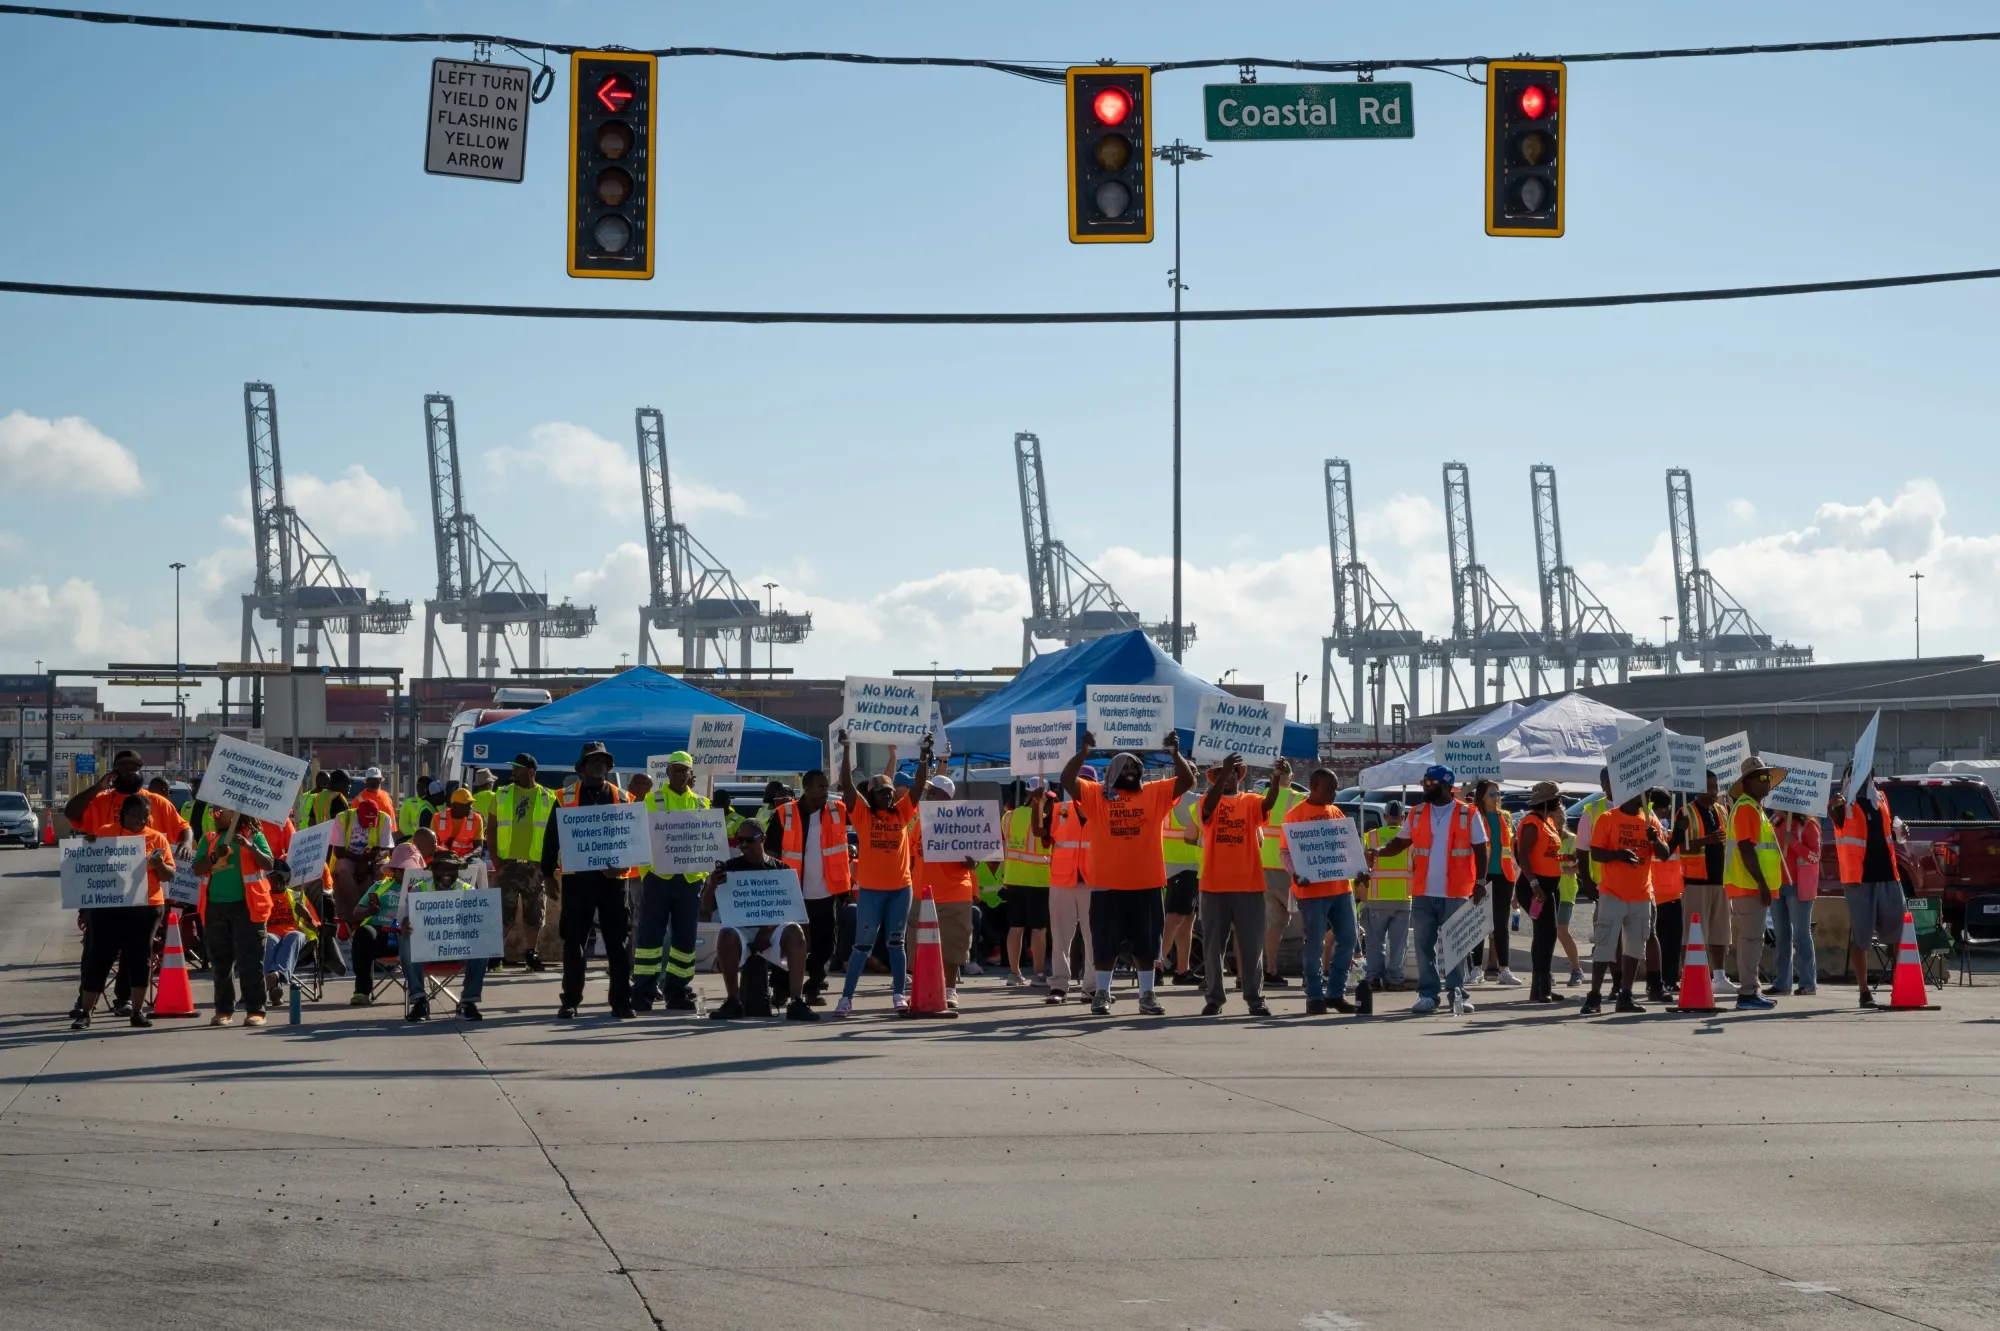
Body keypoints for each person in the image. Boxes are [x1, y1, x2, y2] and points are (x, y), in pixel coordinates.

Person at [1057, 730, 1196, 1017]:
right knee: (1105, 944)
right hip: (1107, 885)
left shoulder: (1154, 793)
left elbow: (1187, 781)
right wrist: (1083, 752)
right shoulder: (1098, 796)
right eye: (1124, 768)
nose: (1131, 772)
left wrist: (1174, 753)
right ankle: (1102, 994)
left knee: (1146, 946)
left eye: (1135, 768)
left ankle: (1147, 995)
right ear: (1111, 773)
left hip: (1146, 885)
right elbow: (1066, 780)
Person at [1374, 765, 1488, 1016]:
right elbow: (1400, 843)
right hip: (1424, 891)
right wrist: (1379, 852)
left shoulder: (1468, 814)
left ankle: (1457, 993)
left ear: (1446, 786)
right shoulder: (1416, 813)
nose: (1425, 786)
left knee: (1456, 945)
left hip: (1457, 891)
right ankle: (1428, 995)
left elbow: (1481, 849)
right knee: (1425, 945)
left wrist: (1480, 883)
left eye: (1430, 782)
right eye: (1424, 781)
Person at [541, 742, 638, 1020]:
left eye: (603, 761)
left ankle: (621, 1002)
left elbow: (633, 841)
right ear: (582, 768)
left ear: (608, 767)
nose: (599, 765)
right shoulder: (565, 798)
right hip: (578, 881)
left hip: (613, 881)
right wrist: (548, 875)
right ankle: (570, 1001)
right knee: (574, 943)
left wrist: (623, 865)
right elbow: (551, 839)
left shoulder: (624, 798)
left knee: (618, 943)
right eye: (593, 761)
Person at [68, 793, 173, 1030]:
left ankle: (136, 1012)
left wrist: (159, 865)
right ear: (124, 814)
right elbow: (88, 863)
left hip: (146, 908)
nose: (141, 820)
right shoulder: (105, 833)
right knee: (99, 958)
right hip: (108, 908)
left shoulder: (157, 839)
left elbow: (169, 875)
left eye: (145, 816)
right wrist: (88, 847)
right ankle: (85, 1013)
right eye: (136, 815)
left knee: (140, 960)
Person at [705, 820, 818, 1021]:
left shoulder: (780, 869)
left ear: (763, 839)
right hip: (742, 929)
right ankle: (733, 1001)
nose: (744, 845)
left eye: (749, 840)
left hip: (772, 929)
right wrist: (712, 885)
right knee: (725, 934)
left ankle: (796, 1001)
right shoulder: (729, 869)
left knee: (795, 931)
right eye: (740, 841)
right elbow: (705, 909)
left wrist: (767, 929)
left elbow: (791, 909)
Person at [835, 733, 913, 1016]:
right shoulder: (863, 815)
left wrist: (927, 756)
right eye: (882, 792)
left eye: (891, 792)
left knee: (896, 942)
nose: (889, 795)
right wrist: (846, 749)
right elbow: (846, 785)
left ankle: (898, 995)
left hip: (901, 889)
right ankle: (846, 998)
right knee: (861, 945)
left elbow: (915, 790)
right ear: (871, 796)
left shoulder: (901, 814)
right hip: (870, 891)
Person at [910, 739, 991, 1010]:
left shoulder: (961, 820)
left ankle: (950, 989)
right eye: (929, 792)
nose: (929, 795)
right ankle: (924, 987)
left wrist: (970, 862)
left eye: (934, 793)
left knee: (954, 946)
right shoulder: (919, 823)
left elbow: (974, 862)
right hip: (923, 894)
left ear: (946, 798)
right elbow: (911, 856)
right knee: (920, 946)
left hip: (955, 893)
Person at [631, 751, 713, 1012]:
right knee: (649, 939)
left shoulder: (703, 804)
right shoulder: (650, 801)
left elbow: (709, 842)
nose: (679, 774)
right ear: (667, 773)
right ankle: (643, 990)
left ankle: (677, 991)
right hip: (658, 878)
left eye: (684, 770)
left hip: (689, 880)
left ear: (691, 775)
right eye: (675, 770)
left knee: (685, 941)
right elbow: (638, 838)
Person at [1198, 754, 1279, 1017]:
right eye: (1223, 772)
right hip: (1214, 886)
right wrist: (1222, 775)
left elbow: (1269, 802)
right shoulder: (1206, 801)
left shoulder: (1251, 802)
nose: (1230, 775)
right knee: (1213, 948)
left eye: (1234, 772)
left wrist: (1276, 778)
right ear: (1213, 776)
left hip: (1249, 886)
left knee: (1253, 947)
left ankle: (1255, 999)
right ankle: (1214, 999)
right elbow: (1208, 808)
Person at [1581, 788, 1670, 1015]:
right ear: (1629, 791)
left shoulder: (1650, 821)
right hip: (1613, 894)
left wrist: (1655, 840)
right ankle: (1594, 997)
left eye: (1649, 794)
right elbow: (1597, 853)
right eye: (1644, 792)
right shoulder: (1608, 818)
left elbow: (1664, 854)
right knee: (1604, 947)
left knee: (1635, 948)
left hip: (1641, 895)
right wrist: (1619, 855)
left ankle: (1626, 995)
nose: (1648, 798)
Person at [771, 765, 852, 1005]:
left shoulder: (837, 810)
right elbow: (772, 850)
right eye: (820, 786)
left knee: (825, 944)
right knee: (785, 942)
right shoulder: (784, 813)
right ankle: (780, 988)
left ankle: (814, 987)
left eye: (827, 786)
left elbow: (859, 802)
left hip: (826, 892)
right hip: (792, 892)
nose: (825, 790)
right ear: (805, 788)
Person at [1283, 766, 1359, 1016]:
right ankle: (1314, 996)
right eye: (1331, 789)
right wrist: (1296, 872)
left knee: (1348, 939)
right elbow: (1285, 853)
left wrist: (1359, 867)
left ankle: (1336, 994)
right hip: (1311, 891)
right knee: (1314, 943)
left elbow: (1348, 846)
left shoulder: (1336, 811)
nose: (1335, 793)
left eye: (1336, 789)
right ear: (1315, 787)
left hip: (1340, 888)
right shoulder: (1295, 815)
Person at [194, 805, 276, 1027]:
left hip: (249, 908)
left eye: (221, 811)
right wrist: (213, 858)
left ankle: (256, 1010)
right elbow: (197, 868)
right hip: (215, 908)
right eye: (214, 812)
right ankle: (223, 1010)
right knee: (221, 964)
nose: (215, 815)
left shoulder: (254, 836)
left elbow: (269, 863)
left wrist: (250, 847)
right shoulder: (210, 839)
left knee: (251, 962)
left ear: (236, 813)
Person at [1827, 773, 1900, 1008]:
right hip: (1858, 880)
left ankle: (1901, 983)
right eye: (1854, 773)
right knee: (1862, 936)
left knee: (1900, 932)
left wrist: (1901, 830)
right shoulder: (1842, 803)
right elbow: (1834, 815)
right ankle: (1864, 992)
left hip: (1889, 875)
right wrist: (1834, 806)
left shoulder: (1881, 798)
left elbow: (1888, 830)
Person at [398, 849, 488, 1022]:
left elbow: (477, 921)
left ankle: (467, 1003)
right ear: (433, 870)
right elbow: (410, 922)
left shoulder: (468, 890)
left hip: (457, 946)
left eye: (452, 869)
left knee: (482, 941)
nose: (447, 873)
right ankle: (419, 1001)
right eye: (442, 869)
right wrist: (405, 925)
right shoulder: (419, 890)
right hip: (428, 949)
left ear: (457, 871)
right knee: (407, 939)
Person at [1724, 757, 1784, 1011]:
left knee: (1753, 939)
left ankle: (1751, 991)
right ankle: (1748, 993)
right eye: (1762, 778)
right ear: (1747, 782)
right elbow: (1747, 849)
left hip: (1751, 885)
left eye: (1768, 777)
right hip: (1748, 885)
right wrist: (1761, 883)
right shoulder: (1747, 808)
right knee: (1751, 939)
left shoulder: (1754, 809)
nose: (1767, 782)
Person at [486, 753, 556, 971]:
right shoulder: (502, 794)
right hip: (508, 863)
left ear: (531, 772)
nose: (513, 772)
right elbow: (491, 828)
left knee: (534, 912)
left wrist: (548, 867)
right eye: (513, 768)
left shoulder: (548, 797)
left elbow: (555, 835)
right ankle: (496, 956)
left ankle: (531, 954)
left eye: (517, 768)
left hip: (535, 866)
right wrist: (497, 861)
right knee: (502, 912)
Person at [1040, 772, 1098, 1005]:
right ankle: (1058, 986)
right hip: (1062, 881)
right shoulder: (1058, 809)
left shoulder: (1103, 809)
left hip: (1093, 882)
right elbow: (1042, 835)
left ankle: (1092, 987)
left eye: (1086, 782)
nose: (1081, 786)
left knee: (1093, 937)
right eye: (1078, 781)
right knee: (1061, 937)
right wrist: (1039, 804)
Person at [1672, 769, 1730, 983]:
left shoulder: (1722, 811)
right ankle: (1689, 975)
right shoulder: (1685, 813)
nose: (1714, 792)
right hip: (1695, 882)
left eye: (1716, 787)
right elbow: (1678, 847)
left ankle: (1719, 977)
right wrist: (1706, 841)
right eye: (1710, 787)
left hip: (1721, 880)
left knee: (1720, 932)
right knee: (1693, 933)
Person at [1514, 782, 1568, 1003]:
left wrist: (1565, 860)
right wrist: (1535, 885)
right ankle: (1541, 988)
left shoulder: (1547, 822)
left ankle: (1539, 988)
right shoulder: (1531, 823)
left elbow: (1547, 854)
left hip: (1548, 887)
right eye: (1557, 799)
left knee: (1546, 935)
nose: (1560, 802)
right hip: (1534, 886)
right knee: (1545, 935)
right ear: (1548, 802)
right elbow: (1523, 857)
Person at [347, 842, 413, 1006]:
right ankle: (362, 991)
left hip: (410, 936)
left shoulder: (423, 888)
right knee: (363, 934)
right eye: (401, 869)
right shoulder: (380, 886)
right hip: (383, 937)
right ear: (394, 870)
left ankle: (416, 990)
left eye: (409, 869)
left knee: (413, 937)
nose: (405, 873)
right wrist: (370, 910)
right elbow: (356, 913)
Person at [1257, 758, 1304, 989]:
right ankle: (1311, 972)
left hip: (1263, 869)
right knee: (1306, 922)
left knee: (1272, 924)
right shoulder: (1297, 799)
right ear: (1291, 778)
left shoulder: (1258, 799)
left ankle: (1270, 969)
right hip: (1290, 870)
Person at [1000, 779, 1052, 986]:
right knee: (1038, 929)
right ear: (1044, 795)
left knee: (1015, 927)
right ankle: (1038, 974)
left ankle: (1014, 973)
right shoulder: (1045, 820)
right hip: (1038, 880)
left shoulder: (1008, 817)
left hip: (1012, 879)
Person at [1472, 780, 1523, 987]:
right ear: (1482, 796)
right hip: (1482, 875)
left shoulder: (1506, 816)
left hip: (1504, 875)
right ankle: (1475, 969)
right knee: (1479, 922)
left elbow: (1511, 849)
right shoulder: (1475, 816)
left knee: (1501, 924)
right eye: (1492, 794)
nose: (1497, 798)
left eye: (1498, 794)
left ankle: (1504, 970)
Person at [1361, 800, 1411, 991]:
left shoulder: (1371, 837)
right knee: (1399, 944)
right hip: (1403, 897)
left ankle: (1374, 978)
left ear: (1385, 817)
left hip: (1377, 897)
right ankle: (1395, 980)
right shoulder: (1409, 838)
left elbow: (1362, 863)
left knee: (1375, 942)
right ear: (1402, 818)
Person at [1770, 808, 1820, 997]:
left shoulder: (1808, 825)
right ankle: (1783, 983)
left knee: (1801, 935)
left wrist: (1794, 844)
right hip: (1776, 883)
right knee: (1782, 936)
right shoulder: (1774, 822)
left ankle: (1808, 983)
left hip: (1798, 886)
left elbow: (1815, 856)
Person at [261, 859, 321, 1008]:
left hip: (297, 937)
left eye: (277, 877)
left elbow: (317, 929)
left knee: (293, 936)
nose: (273, 881)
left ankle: (271, 980)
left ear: (285, 878)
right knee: (269, 940)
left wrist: (307, 916)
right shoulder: (263, 897)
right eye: (270, 877)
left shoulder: (296, 897)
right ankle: (276, 986)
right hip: (271, 935)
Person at [1646, 789, 1686, 1002]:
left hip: (1670, 890)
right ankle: (1661, 981)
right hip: (1660, 891)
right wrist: (1678, 833)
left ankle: (1668, 979)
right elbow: (1665, 852)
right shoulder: (1652, 822)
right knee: (1664, 941)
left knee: (1670, 941)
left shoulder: (1658, 824)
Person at [1161, 782, 1202, 984]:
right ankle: (1156, 965)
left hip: (1174, 865)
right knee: (1176, 918)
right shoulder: (1190, 799)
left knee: (1186, 921)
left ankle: (1182, 969)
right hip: (1185, 865)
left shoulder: (1166, 798)